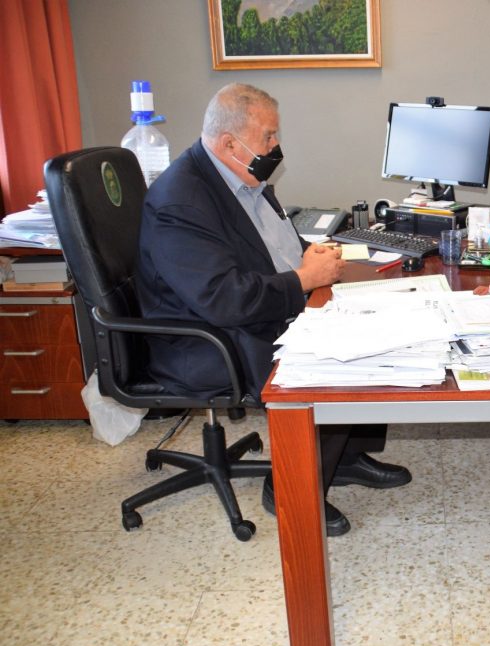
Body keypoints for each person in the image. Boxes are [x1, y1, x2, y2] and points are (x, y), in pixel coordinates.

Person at [136, 83, 410, 537]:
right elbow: (223, 299)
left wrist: (309, 255)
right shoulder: (180, 203)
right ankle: (287, 487)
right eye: (267, 136)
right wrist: (304, 279)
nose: (275, 146)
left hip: (249, 311)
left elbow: (271, 244)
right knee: (340, 359)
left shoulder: (243, 177)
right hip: (206, 340)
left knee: (373, 315)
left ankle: (342, 458)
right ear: (229, 144)